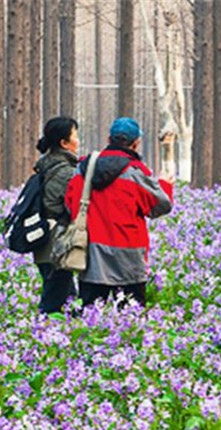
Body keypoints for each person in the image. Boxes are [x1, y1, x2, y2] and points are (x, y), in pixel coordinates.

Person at [64, 117, 174, 309]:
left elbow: (70, 204)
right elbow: (161, 205)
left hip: (92, 258)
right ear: (136, 144)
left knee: (91, 317)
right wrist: (165, 183)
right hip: (129, 259)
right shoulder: (137, 173)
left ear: (109, 139)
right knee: (130, 321)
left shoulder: (84, 168)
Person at [33, 116, 80, 314]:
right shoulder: (65, 172)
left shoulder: (48, 166)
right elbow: (61, 207)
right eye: (75, 135)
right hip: (57, 244)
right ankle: (43, 338)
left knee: (67, 298)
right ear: (64, 143)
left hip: (47, 243)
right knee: (54, 303)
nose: (78, 140)